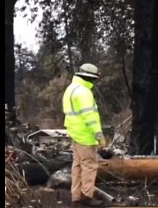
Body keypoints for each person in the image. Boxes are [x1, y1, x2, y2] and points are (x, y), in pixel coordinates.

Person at [63, 63, 107, 207]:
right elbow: (90, 116)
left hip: (75, 133)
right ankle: (86, 196)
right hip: (85, 135)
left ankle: (76, 196)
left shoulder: (70, 89)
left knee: (77, 165)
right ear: (90, 78)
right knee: (89, 165)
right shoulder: (84, 92)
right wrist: (99, 135)